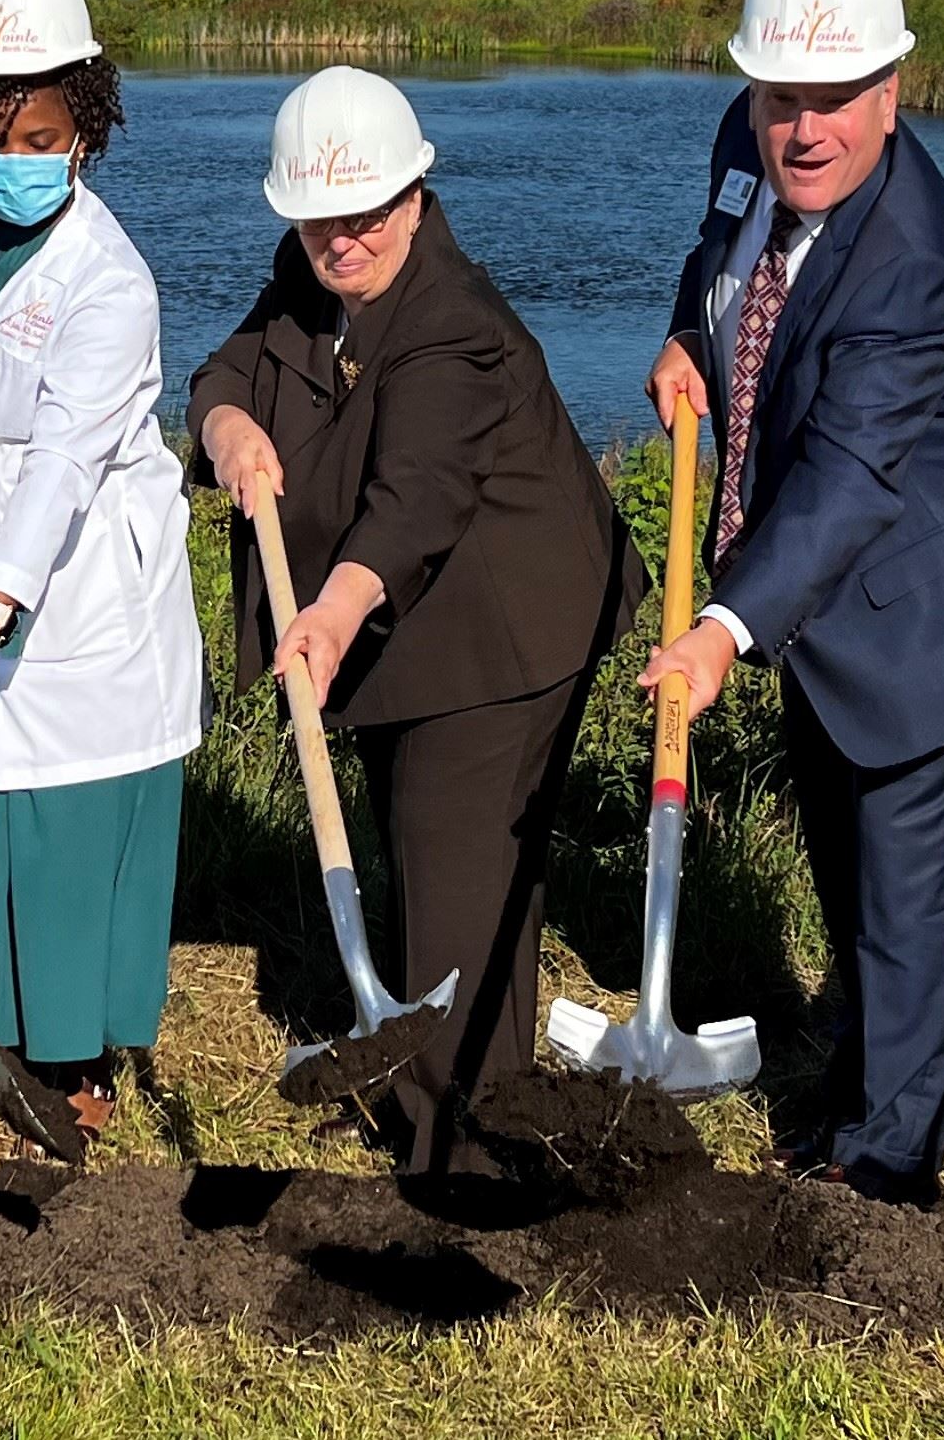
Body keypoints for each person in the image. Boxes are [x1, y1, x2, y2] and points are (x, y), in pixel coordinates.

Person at [645, 0, 944, 1203]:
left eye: (836, 100)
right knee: (848, 871)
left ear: (893, 90)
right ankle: (851, 1105)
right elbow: (720, 254)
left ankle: (884, 1181)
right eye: (784, 98)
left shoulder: (916, 262)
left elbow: (847, 479)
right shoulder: (745, 137)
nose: (804, 130)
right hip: (822, 609)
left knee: (909, 907)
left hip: (926, 608)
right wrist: (687, 337)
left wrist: (723, 627)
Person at [190, 68, 636, 1170]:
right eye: (319, 220)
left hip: (503, 630)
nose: (343, 240)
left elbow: (418, 497)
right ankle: (463, 1097)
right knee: (445, 867)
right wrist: (227, 428)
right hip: (411, 629)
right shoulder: (310, 275)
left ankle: (463, 1154)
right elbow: (228, 368)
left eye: (367, 214)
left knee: (455, 885)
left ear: (415, 195)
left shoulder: (453, 324)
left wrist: (335, 612)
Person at [0, 0, 202, 1146]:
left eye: (39, 137)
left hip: (76, 581)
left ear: (86, 127)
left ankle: (71, 1063)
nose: (15, 159)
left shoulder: (109, 281)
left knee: (65, 830)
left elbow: (66, 464)